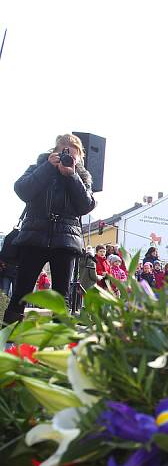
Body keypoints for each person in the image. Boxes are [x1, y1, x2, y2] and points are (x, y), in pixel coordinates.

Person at [3, 134, 96, 324]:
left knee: (61, 297)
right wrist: (47, 167)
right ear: (55, 151)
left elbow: (86, 205)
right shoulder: (40, 167)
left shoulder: (82, 176)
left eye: (72, 154)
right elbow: (22, 190)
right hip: (34, 237)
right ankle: (8, 340)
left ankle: (58, 343)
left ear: (79, 157)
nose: (67, 156)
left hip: (66, 241)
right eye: (63, 151)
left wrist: (72, 176)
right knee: (22, 291)